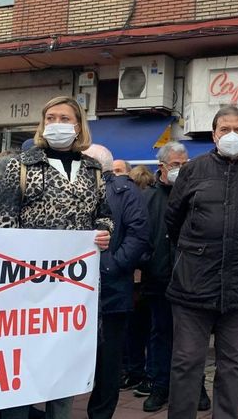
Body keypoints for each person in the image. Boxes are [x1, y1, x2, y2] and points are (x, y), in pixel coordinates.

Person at [0, 96, 113, 419]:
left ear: (78, 126)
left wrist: (104, 233)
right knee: (22, 368)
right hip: (27, 290)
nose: (56, 124)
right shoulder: (20, 165)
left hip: (73, 292)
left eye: (64, 118)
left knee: (64, 370)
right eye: (50, 117)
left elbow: (104, 216)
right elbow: (3, 225)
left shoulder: (93, 170)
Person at [165, 106, 238, 419]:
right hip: (193, 284)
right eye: (224, 129)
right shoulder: (193, 170)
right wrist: (196, 251)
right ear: (213, 135)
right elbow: (172, 222)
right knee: (187, 362)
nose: (232, 135)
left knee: (233, 365)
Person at [140, 142, 211, 413]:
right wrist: (147, 263)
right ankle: (159, 385)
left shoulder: (196, 195)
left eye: (185, 164)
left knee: (193, 338)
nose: (181, 170)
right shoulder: (147, 198)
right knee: (160, 333)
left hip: (192, 278)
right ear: (162, 167)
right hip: (158, 278)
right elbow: (142, 237)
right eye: (176, 165)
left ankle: (197, 386)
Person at [82, 144, 150, 419]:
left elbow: (138, 234)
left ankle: (100, 412)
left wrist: (112, 264)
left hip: (111, 287)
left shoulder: (125, 192)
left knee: (109, 357)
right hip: (80, 286)